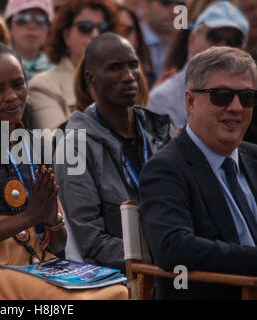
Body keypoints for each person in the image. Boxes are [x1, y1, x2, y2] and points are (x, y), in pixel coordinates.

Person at [0, 41, 128, 300]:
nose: (12, 95)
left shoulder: (33, 143)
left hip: (38, 265)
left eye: (18, 84)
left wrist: (50, 219)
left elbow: (58, 244)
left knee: (117, 291)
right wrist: (26, 218)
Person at [139, 46, 257, 300]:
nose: (236, 107)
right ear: (190, 101)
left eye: (246, 96)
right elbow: (174, 249)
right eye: (222, 95)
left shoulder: (253, 157)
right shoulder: (166, 169)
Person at [54, 33, 174, 272]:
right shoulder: (74, 146)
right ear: (91, 79)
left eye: (133, 65)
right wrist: (162, 252)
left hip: (176, 265)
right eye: (115, 68)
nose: (129, 77)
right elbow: (92, 242)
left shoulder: (160, 128)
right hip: (123, 278)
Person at [147, 1, 248, 129]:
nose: (223, 47)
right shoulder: (163, 98)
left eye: (234, 42)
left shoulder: (249, 97)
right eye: (215, 37)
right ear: (192, 40)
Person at [29, 0, 122, 131]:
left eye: (103, 29)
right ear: (66, 36)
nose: (95, 34)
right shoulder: (43, 86)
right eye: (85, 27)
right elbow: (59, 145)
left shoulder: (124, 80)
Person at [4, 0, 54, 82]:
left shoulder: (58, 68)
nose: (32, 25)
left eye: (40, 19)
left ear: (49, 29)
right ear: (9, 26)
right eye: (22, 18)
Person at [140, 0, 182, 85]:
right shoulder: (132, 40)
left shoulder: (178, 42)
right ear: (145, 5)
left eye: (180, 4)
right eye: (166, 3)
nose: (175, 10)